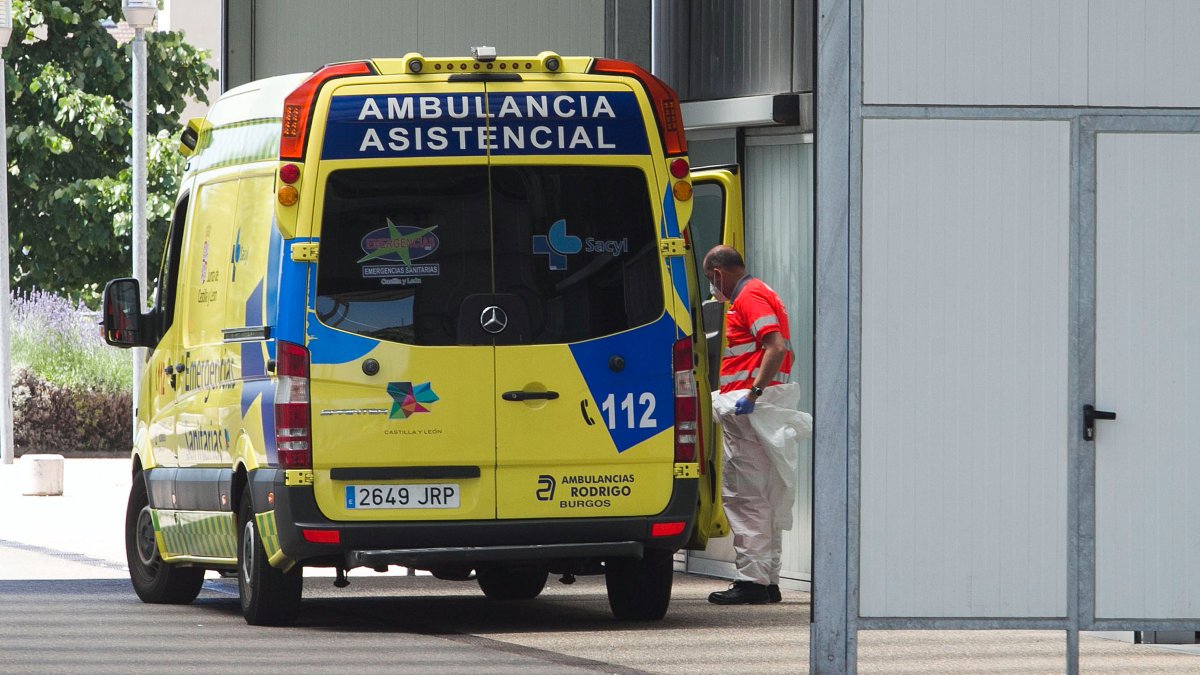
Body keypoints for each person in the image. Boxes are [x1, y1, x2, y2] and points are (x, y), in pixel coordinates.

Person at [703, 245, 805, 605]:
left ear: (718, 273)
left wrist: (754, 393)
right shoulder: (763, 293)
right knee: (764, 494)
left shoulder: (748, 297)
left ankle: (752, 582)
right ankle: (766, 579)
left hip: (750, 407)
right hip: (760, 406)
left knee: (746, 496)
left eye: (711, 281)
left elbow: (773, 347)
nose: (713, 290)